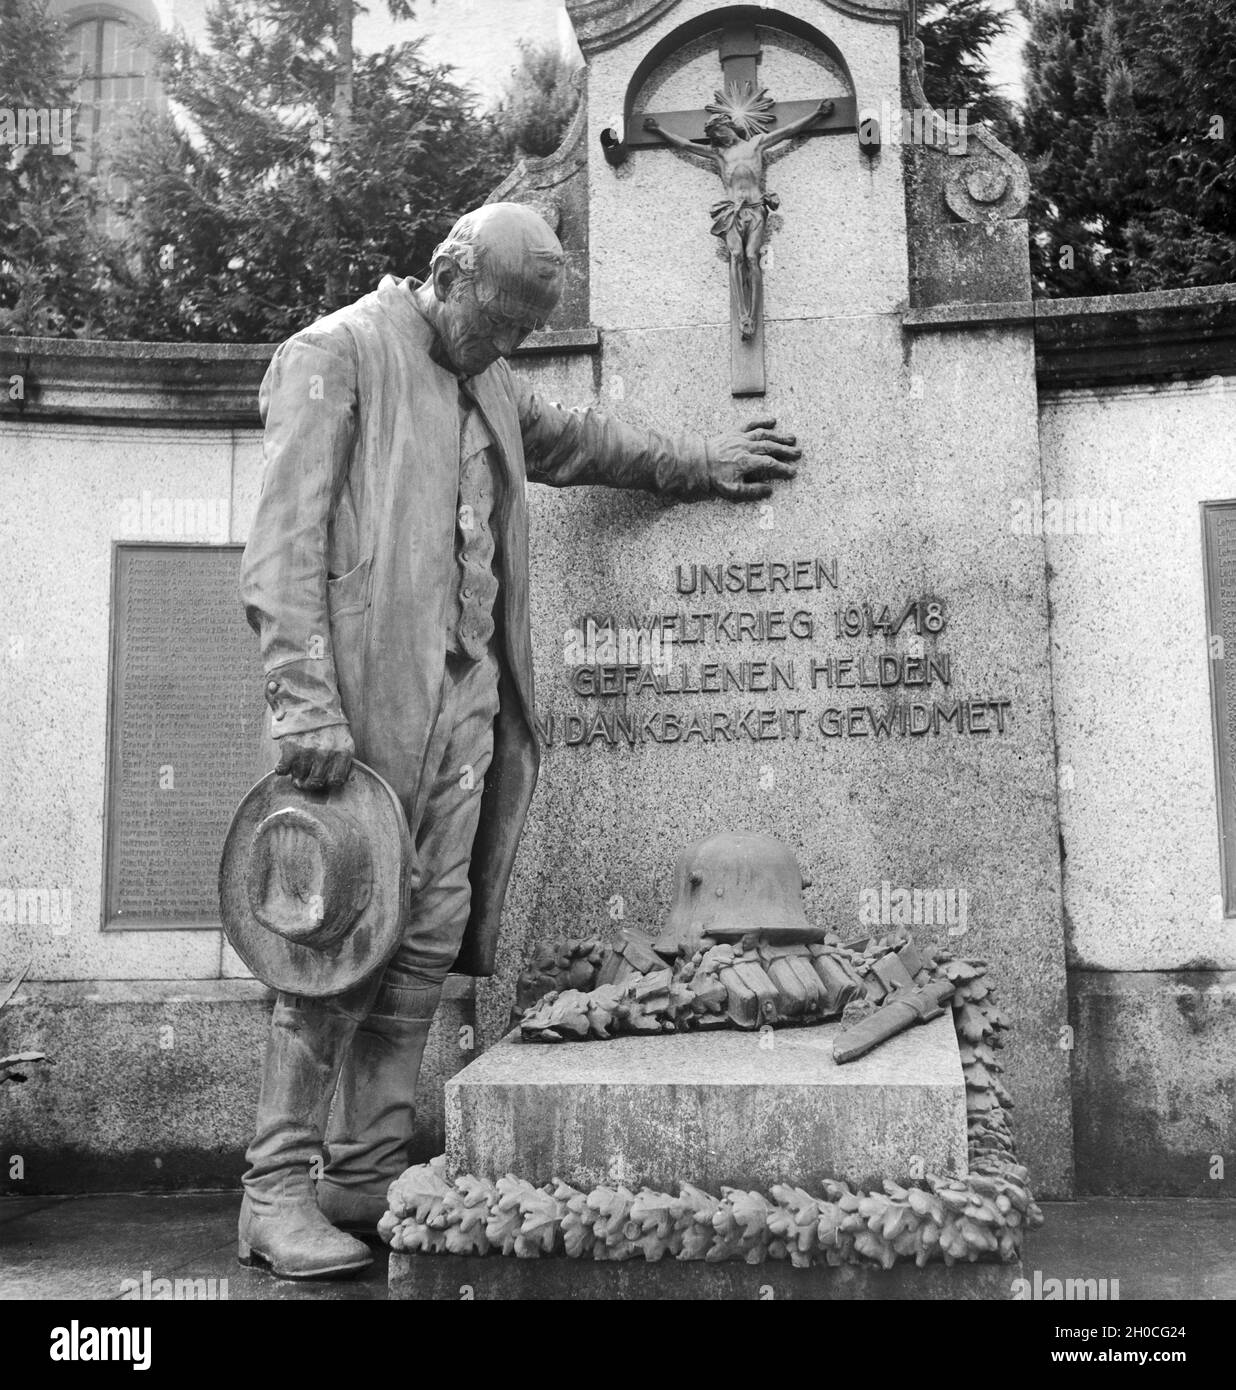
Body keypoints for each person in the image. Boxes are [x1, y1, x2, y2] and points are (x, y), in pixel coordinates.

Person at [236, 200, 801, 1278]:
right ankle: (273, 1191)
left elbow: (585, 441)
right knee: (329, 949)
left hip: (466, 705)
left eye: (515, 336)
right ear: (448, 272)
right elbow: (281, 548)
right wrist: (302, 698)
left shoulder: (486, 372)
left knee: (424, 943)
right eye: (491, 322)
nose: (498, 349)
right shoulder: (335, 353)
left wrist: (702, 461)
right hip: (359, 713)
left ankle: (363, 1169)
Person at [644, 96, 833, 337]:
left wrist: (817, 114)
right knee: (735, 255)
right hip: (731, 210)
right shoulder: (719, 154)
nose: (720, 137)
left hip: (754, 208)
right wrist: (658, 129)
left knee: (752, 257)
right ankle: (741, 314)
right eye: (715, 135)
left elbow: (789, 131)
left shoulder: (756, 144)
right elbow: (686, 145)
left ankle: (752, 315)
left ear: (730, 125)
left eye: (721, 130)